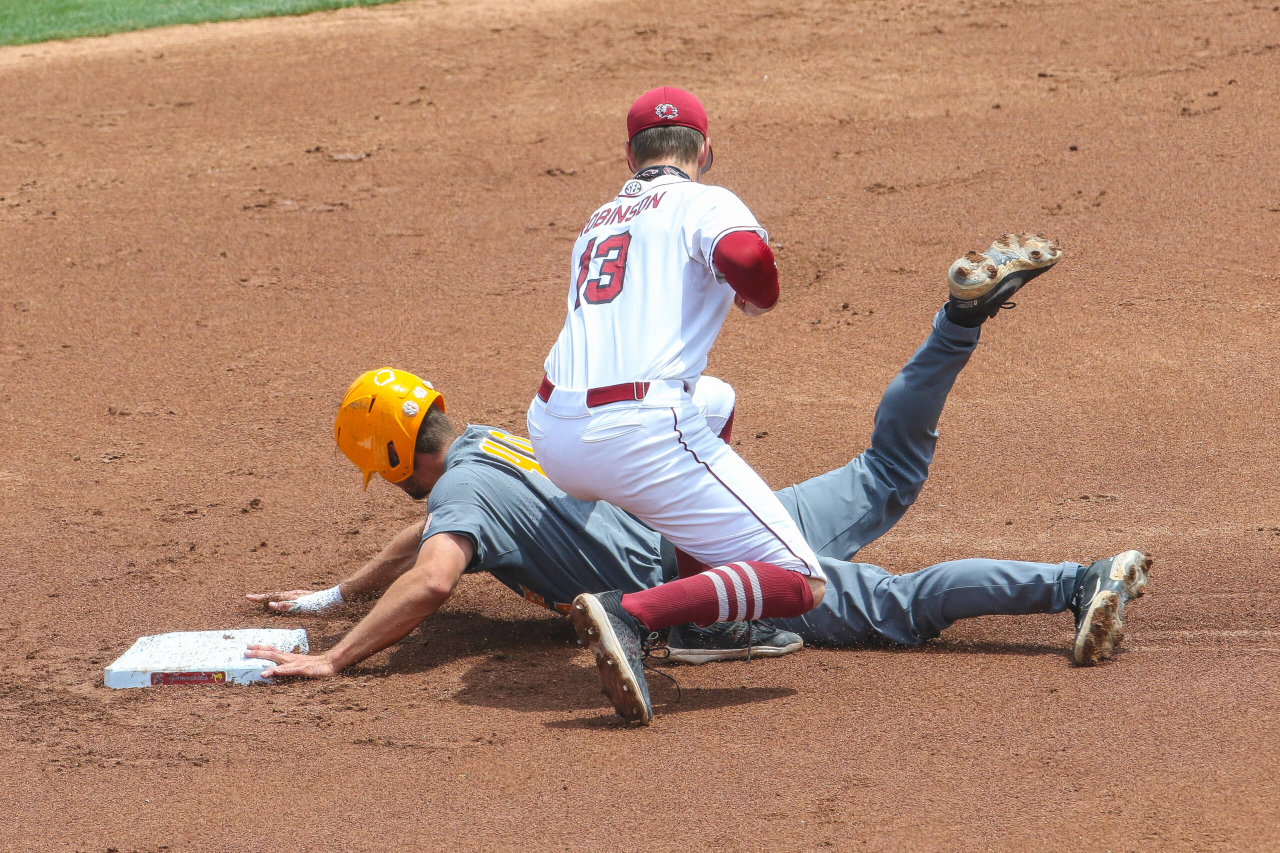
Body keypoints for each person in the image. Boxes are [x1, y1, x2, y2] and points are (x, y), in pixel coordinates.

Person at [246, 237, 1152, 724]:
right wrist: (335, 590)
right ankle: (955, 326)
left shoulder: (461, 499)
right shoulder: (489, 442)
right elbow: (426, 538)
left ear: (398, 462)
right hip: (717, 505)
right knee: (887, 470)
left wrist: (332, 652)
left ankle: (1077, 583)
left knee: (898, 608)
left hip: (711, 581)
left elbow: (434, 573)